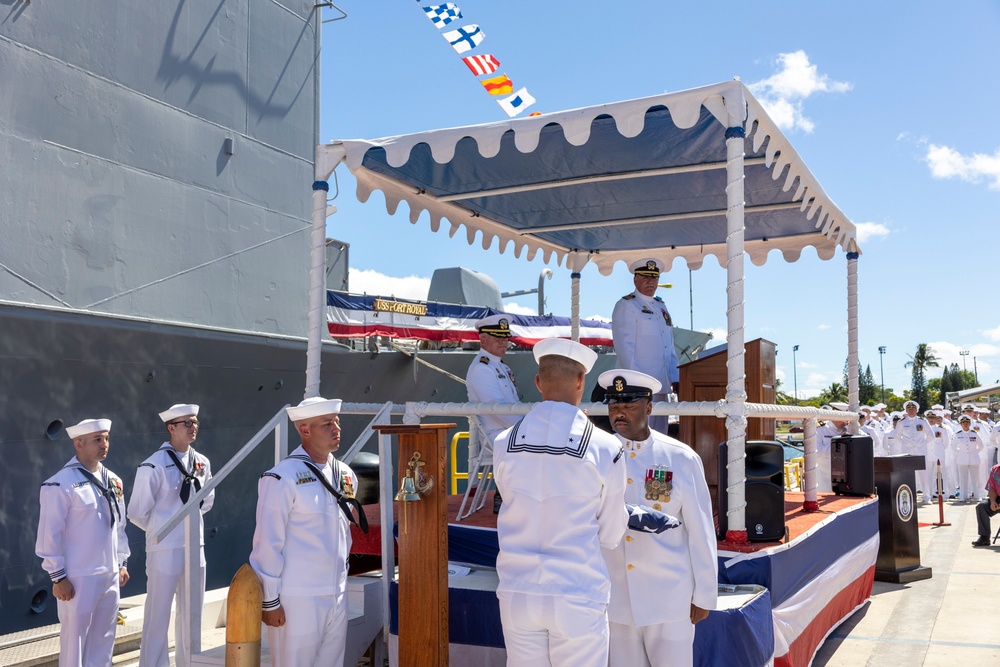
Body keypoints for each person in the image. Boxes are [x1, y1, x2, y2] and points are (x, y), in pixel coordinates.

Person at [492, 338, 629, 667]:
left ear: (538, 382)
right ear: (581, 381)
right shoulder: (605, 447)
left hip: (517, 592)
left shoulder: (502, 443)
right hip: (576, 590)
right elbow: (611, 534)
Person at [598, 369, 717, 667]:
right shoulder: (597, 456)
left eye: (629, 405)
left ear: (649, 408)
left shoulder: (680, 458)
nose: (619, 413)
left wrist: (704, 594)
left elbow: (700, 529)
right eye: (614, 406)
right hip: (615, 599)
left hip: (669, 599)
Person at [250, 397, 364, 667]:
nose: (336, 429)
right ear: (305, 430)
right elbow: (267, 543)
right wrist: (270, 601)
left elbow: (343, 532)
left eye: (337, 422)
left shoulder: (346, 474)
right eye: (326, 424)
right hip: (298, 596)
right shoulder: (281, 477)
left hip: (336, 592)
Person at [36, 418, 130, 667]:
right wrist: (58, 577)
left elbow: (119, 527)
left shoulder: (115, 481)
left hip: (109, 575)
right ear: (78, 444)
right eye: (98, 440)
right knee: (74, 646)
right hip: (78, 578)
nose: (105, 444)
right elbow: (49, 534)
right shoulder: (61, 483)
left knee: (104, 642)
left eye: (107, 438)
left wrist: (122, 562)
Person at [129, 404, 214, 667]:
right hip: (164, 548)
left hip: (193, 546)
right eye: (187, 423)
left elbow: (207, 501)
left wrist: (184, 530)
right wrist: (161, 531)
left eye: (195, 422)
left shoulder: (202, 462)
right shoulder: (154, 464)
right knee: (158, 613)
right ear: (171, 428)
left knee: (192, 613)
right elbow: (137, 511)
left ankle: (189, 662)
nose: (193, 427)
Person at [611, 258, 680, 433]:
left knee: (660, 437)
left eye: (654, 278)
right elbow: (624, 348)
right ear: (635, 279)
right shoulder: (627, 305)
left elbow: (669, 347)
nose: (650, 282)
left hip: (662, 388)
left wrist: (676, 378)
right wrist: (638, 384)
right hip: (639, 389)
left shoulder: (661, 307)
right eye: (645, 277)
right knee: (638, 436)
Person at [465, 314, 521, 497]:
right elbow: (496, 409)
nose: (503, 342)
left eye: (505, 338)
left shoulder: (500, 366)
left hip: (508, 430)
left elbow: (513, 405)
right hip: (496, 435)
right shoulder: (482, 368)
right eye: (498, 338)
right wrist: (528, 426)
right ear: (483, 339)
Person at [893, 400, 935, 501]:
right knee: (908, 474)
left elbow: (931, 435)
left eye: (913, 409)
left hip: (920, 451)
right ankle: (909, 497)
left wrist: (922, 443)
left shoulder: (922, 421)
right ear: (906, 410)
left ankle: (926, 497)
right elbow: (897, 437)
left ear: (917, 410)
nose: (911, 411)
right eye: (909, 409)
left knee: (923, 474)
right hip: (907, 452)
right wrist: (905, 444)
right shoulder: (902, 422)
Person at [815, 406, 849, 493]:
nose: (846, 422)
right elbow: (817, 453)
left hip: (846, 477)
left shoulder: (849, 430)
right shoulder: (820, 431)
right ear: (834, 416)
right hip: (825, 478)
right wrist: (838, 442)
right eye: (843, 418)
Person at [952, 415, 985, 502]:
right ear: (961, 424)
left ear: (970, 424)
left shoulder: (974, 433)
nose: (965, 424)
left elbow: (981, 446)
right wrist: (961, 452)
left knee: (975, 478)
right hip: (962, 459)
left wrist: (974, 452)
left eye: (967, 423)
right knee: (962, 478)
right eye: (963, 423)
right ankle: (963, 496)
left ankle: (978, 496)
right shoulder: (958, 434)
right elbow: (953, 446)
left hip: (974, 459)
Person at [971, 462, 1000, 546]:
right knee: (981, 507)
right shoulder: (995, 470)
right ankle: (984, 537)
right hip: (998, 497)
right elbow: (992, 487)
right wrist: (993, 501)